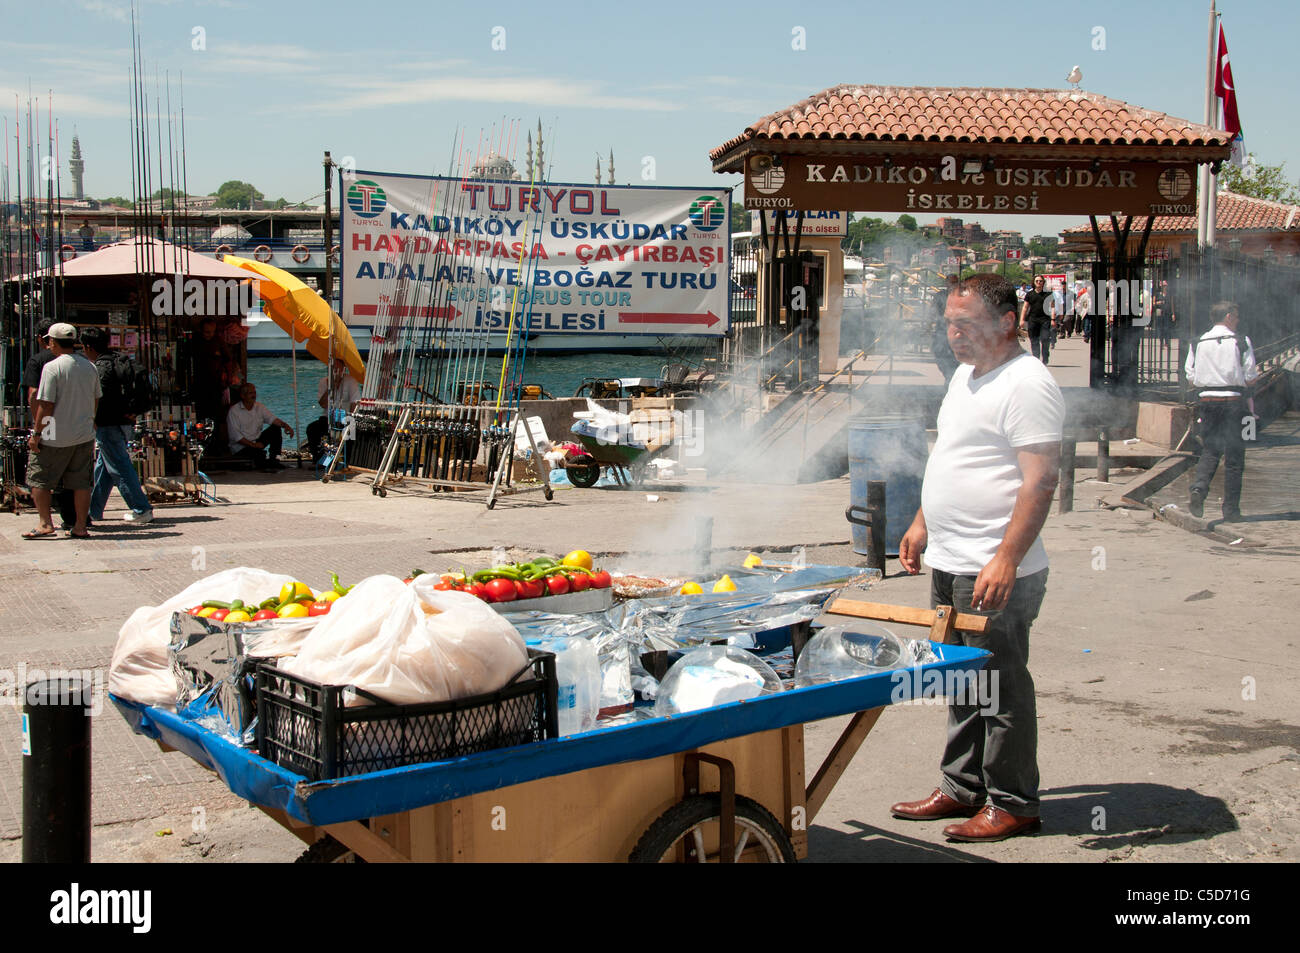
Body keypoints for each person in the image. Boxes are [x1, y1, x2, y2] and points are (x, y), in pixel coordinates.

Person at [893, 274, 1065, 843]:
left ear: (1007, 322)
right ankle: (961, 787)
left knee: (999, 686)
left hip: (992, 568)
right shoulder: (966, 376)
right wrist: (922, 523)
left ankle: (1014, 802)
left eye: (964, 324)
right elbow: (949, 453)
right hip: (950, 559)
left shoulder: (1028, 383)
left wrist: (1006, 559)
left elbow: (1039, 483)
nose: (952, 335)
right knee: (960, 681)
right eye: (947, 323)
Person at [25, 323, 102, 539]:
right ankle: (80, 526)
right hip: (84, 434)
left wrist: (37, 433)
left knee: (39, 478)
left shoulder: (52, 367)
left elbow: (46, 404)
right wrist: (90, 421)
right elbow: (96, 398)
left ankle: (45, 523)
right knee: (81, 483)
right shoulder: (89, 366)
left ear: (53, 342)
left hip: (54, 435)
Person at [1185, 301, 1258, 522]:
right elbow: (1251, 376)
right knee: (1235, 457)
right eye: (1235, 317)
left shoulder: (1198, 342)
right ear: (1228, 316)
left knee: (1210, 450)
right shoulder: (1241, 341)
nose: (1237, 321)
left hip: (1207, 402)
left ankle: (1199, 488)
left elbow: (1190, 376)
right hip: (1234, 403)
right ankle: (1231, 511)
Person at [80, 327, 154, 524]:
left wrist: (92, 420)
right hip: (124, 421)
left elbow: (100, 399)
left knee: (119, 466)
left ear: (87, 347)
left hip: (108, 424)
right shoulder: (119, 360)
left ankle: (141, 508)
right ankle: (93, 510)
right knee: (105, 467)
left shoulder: (100, 367)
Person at [227, 382, 293, 471]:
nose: (254, 395)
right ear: (243, 396)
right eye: (251, 393)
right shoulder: (234, 411)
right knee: (259, 455)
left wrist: (285, 426)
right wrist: (254, 445)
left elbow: (272, 419)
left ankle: (274, 458)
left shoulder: (259, 407)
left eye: (254, 392)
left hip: (256, 441)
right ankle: (266, 462)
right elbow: (236, 437)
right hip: (242, 447)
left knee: (275, 429)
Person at [306, 359, 361, 462]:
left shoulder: (350, 381)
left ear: (343, 370)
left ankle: (347, 460)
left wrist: (351, 417)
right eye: (333, 369)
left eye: (338, 369)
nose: (336, 371)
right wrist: (331, 388)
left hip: (345, 416)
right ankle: (320, 459)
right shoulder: (324, 382)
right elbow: (322, 404)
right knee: (312, 429)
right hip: (328, 416)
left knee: (351, 431)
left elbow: (355, 402)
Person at [929, 274, 960, 384]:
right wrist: (928, 326)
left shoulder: (962, 297)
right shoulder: (940, 296)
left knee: (953, 358)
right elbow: (932, 312)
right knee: (940, 355)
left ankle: (950, 379)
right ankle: (949, 377)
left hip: (956, 333)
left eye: (955, 283)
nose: (952, 285)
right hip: (941, 332)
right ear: (946, 284)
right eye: (951, 283)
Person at [1019, 275, 1053, 365]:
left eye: (1040, 281)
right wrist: (1022, 320)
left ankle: (1045, 357)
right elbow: (1025, 307)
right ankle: (1036, 358)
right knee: (1034, 340)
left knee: (1045, 339)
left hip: (1045, 320)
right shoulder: (1029, 294)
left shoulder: (1048, 294)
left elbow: (1052, 307)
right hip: (1033, 320)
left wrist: (1053, 319)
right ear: (1034, 282)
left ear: (1043, 282)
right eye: (1037, 281)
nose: (1039, 282)